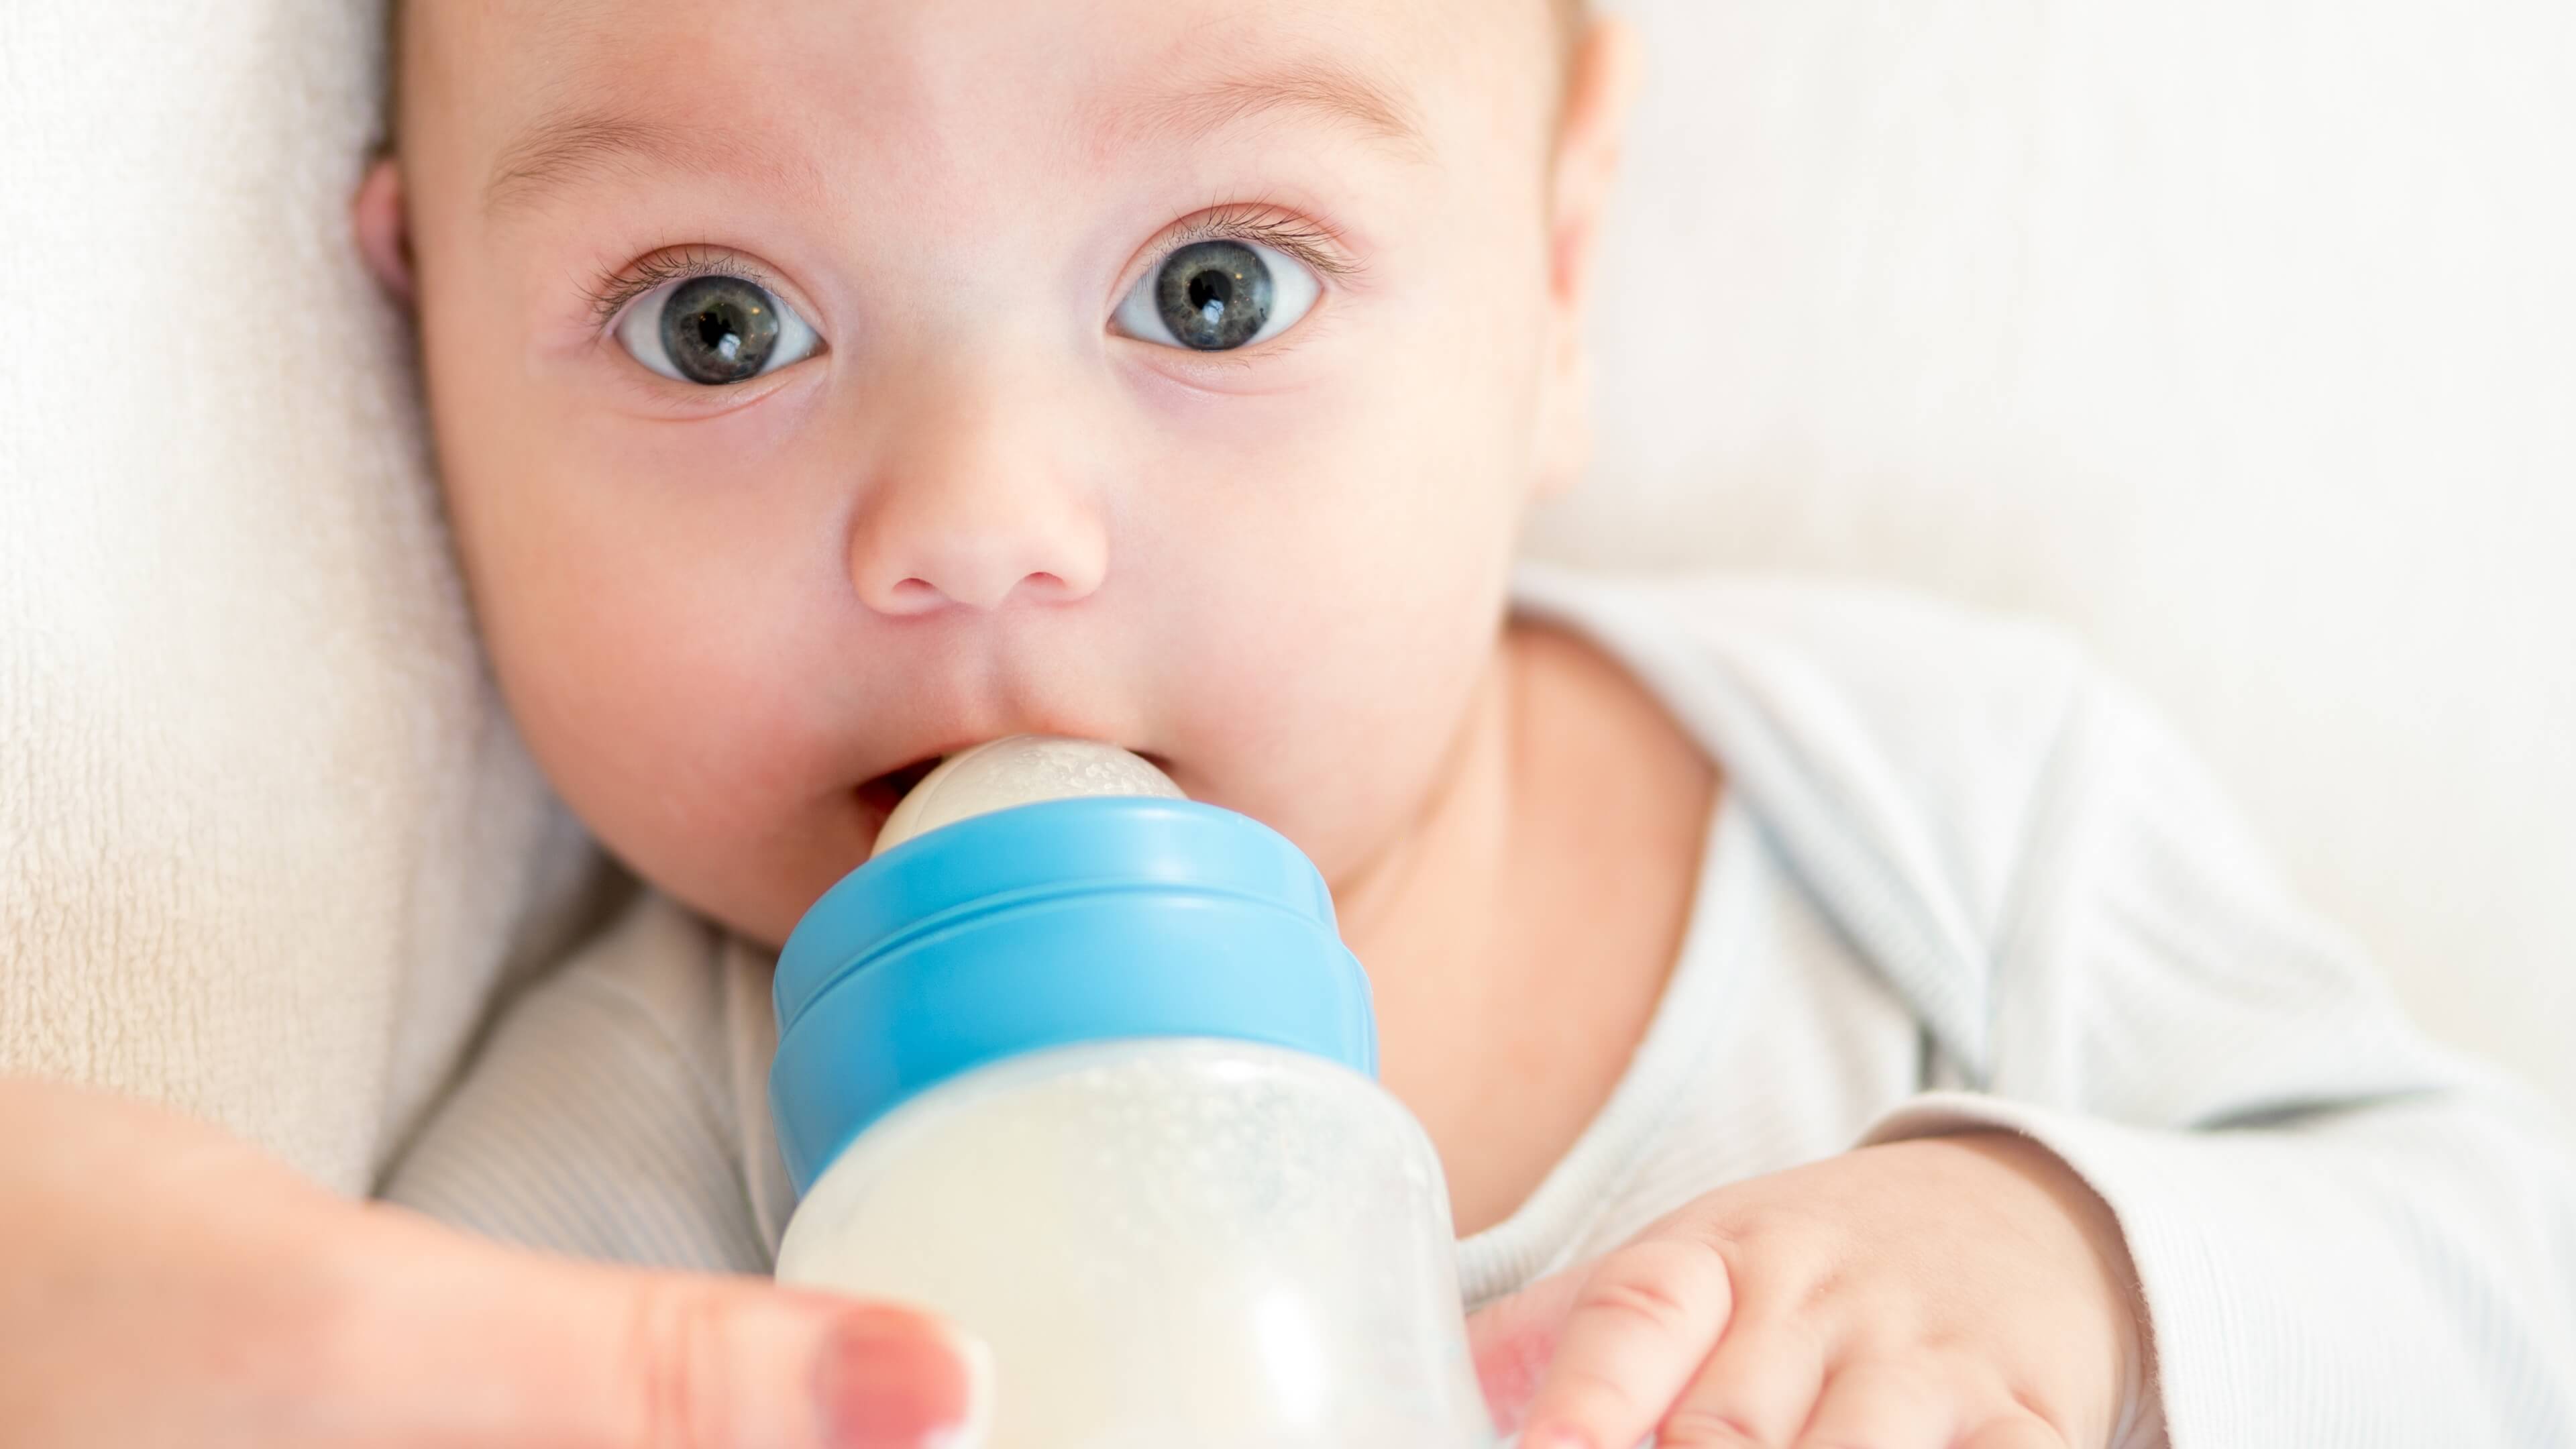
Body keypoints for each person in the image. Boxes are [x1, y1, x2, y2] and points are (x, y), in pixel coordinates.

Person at [9, 0, 2569, 1444]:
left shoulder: (1914, 814)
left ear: (1555, 288)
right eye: (717, 322)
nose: (978, 523)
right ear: (427, 329)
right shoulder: (619, 1191)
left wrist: (2068, 1272)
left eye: (1215, 290)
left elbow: (2505, 1274)